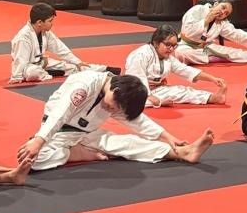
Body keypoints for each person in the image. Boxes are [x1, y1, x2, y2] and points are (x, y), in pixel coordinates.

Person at [16, 69, 214, 172]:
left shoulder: (116, 97)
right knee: (30, 160)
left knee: (126, 143)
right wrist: (39, 140)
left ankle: (183, 152)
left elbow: (136, 120)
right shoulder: (85, 84)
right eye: (115, 106)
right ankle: (79, 154)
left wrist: (168, 137)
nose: (114, 111)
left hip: (86, 134)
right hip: (58, 132)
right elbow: (61, 112)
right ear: (115, 90)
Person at [124, 26, 227, 107]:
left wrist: (213, 79)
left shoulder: (167, 57)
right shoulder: (141, 54)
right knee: (132, 101)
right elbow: (136, 79)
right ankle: (156, 101)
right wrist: (153, 99)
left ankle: (213, 98)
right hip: (133, 90)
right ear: (156, 43)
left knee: (181, 91)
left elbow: (185, 70)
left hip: (155, 90)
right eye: (168, 45)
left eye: (174, 46)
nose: (171, 49)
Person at [9, 4, 106, 84]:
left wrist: (77, 61)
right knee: (33, 73)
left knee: (73, 67)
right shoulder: (23, 37)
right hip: (27, 68)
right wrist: (17, 77)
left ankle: (104, 69)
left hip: (42, 63)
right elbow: (20, 60)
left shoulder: (45, 32)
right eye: (50, 21)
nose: (52, 23)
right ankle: (48, 73)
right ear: (39, 22)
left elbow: (60, 48)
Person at [176, 0, 247, 67]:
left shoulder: (222, 23)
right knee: (181, 54)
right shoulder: (198, 10)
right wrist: (206, 20)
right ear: (216, 4)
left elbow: (237, 35)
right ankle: (211, 58)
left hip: (205, 47)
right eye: (223, 7)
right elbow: (188, 31)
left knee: (232, 52)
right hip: (185, 45)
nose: (223, 12)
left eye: (226, 13)